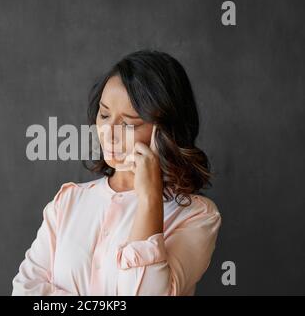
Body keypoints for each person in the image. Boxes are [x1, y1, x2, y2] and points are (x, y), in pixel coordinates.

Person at [12, 50, 222, 296]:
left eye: (128, 124)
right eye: (104, 114)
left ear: (165, 132)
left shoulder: (197, 215)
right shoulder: (67, 202)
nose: (108, 133)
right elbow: (25, 291)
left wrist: (149, 200)